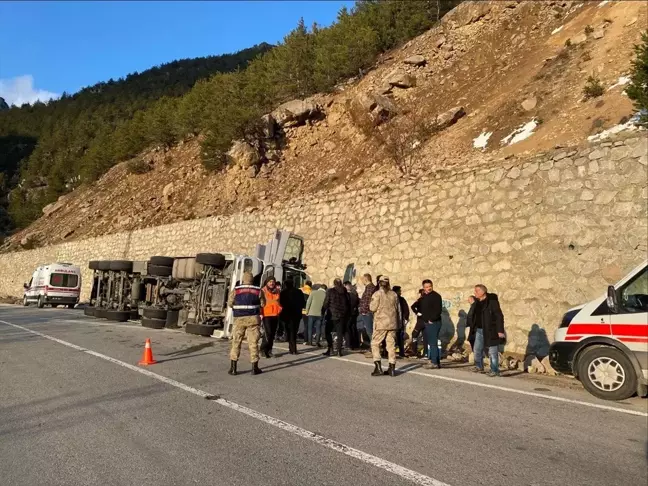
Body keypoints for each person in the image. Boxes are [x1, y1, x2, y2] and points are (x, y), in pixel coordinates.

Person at [228, 272, 265, 376]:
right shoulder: (258, 290)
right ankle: (254, 368)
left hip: (239, 319)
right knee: (253, 343)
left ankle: (233, 368)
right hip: (253, 319)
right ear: (252, 279)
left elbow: (230, 303)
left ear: (243, 279)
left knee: (236, 342)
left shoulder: (236, 290)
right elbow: (263, 304)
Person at [467, 284, 505, 377]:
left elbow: (499, 316)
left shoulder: (492, 302)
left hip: (491, 330)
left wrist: (500, 330)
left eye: (476, 291)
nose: (474, 293)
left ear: (482, 292)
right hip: (479, 330)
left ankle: (494, 370)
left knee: (492, 351)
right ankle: (479, 366)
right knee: (477, 349)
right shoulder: (477, 302)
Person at [369, 276, 400, 376]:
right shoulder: (394, 294)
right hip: (393, 323)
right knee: (391, 345)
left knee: (375, 343)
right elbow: (398, 309)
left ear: (379, 283)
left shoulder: (377, 294)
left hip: (381, 323)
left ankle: (378, 366)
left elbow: (372, 308)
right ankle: (392, 367)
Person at [412, 279, 443, 369]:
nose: (428, 288)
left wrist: (431, 319)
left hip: (433, 322)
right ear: (423, 288)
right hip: (427, 322)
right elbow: (417, 306)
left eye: (430, 286)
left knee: (433, 343)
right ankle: (436, 361)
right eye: (426, 287)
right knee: (431, 342)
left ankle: (434, 362)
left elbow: (438, 310)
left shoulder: (436, 296)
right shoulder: (424, 297)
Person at [322, 278, 350, 357]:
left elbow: (326, 302)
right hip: (342, 315)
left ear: (334, 284)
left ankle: (330, 348)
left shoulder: (330, 291)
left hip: (332, 315)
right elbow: (348, 304)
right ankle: (339, 351)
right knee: (340, 333)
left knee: (327, 332)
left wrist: (323, 311)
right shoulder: (345, 292)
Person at [279, 279, 305, 355]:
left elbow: (280, 303)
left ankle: (291, 347)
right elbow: (303, 303)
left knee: (289, 331)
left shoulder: (283, 292)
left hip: (286, 315)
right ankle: (293, 349)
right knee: (294, 332)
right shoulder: (299, 292)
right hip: (296, 315)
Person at [260, 277, 282, 358]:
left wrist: (279, 308)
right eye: (270, 282)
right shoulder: (263, 290)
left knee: (272, 334)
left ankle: (269, 351)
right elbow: (260, 302)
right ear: (266, 282)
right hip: (266, 314)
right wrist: (260, 313)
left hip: (275, 314)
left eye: (273, 282)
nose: (271, 283)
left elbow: (279, 301)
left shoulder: (277, 291)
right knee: (267, 333)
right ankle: (262, 350)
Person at [358, 274, 377, 344]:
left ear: (366, 279)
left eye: (363, 279)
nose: (362, 281)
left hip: (367, 313)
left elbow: (367, 301)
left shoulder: (370, 288)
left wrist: (364, 311)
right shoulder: (369, 288)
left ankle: (374, 347)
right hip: (367, 312)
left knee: (370, 331)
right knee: (369, 331)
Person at [393, 286, 409, 358]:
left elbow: (406, 309)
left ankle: (400, 352)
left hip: (397, 321)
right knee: (397, 337)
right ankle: (400, 352)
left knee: (399, 336)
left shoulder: (401, 299)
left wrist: (406, 318)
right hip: (395, 321)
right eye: (399, 291)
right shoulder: (395, 299)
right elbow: (406, 310)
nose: (400, 292)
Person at [344, 281, 360, 350]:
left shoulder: (348, 295)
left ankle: (349, 344)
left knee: (348, 328)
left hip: (349, 314)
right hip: (354, 313)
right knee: (353, 328)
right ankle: (355, 344)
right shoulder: (355, 294)